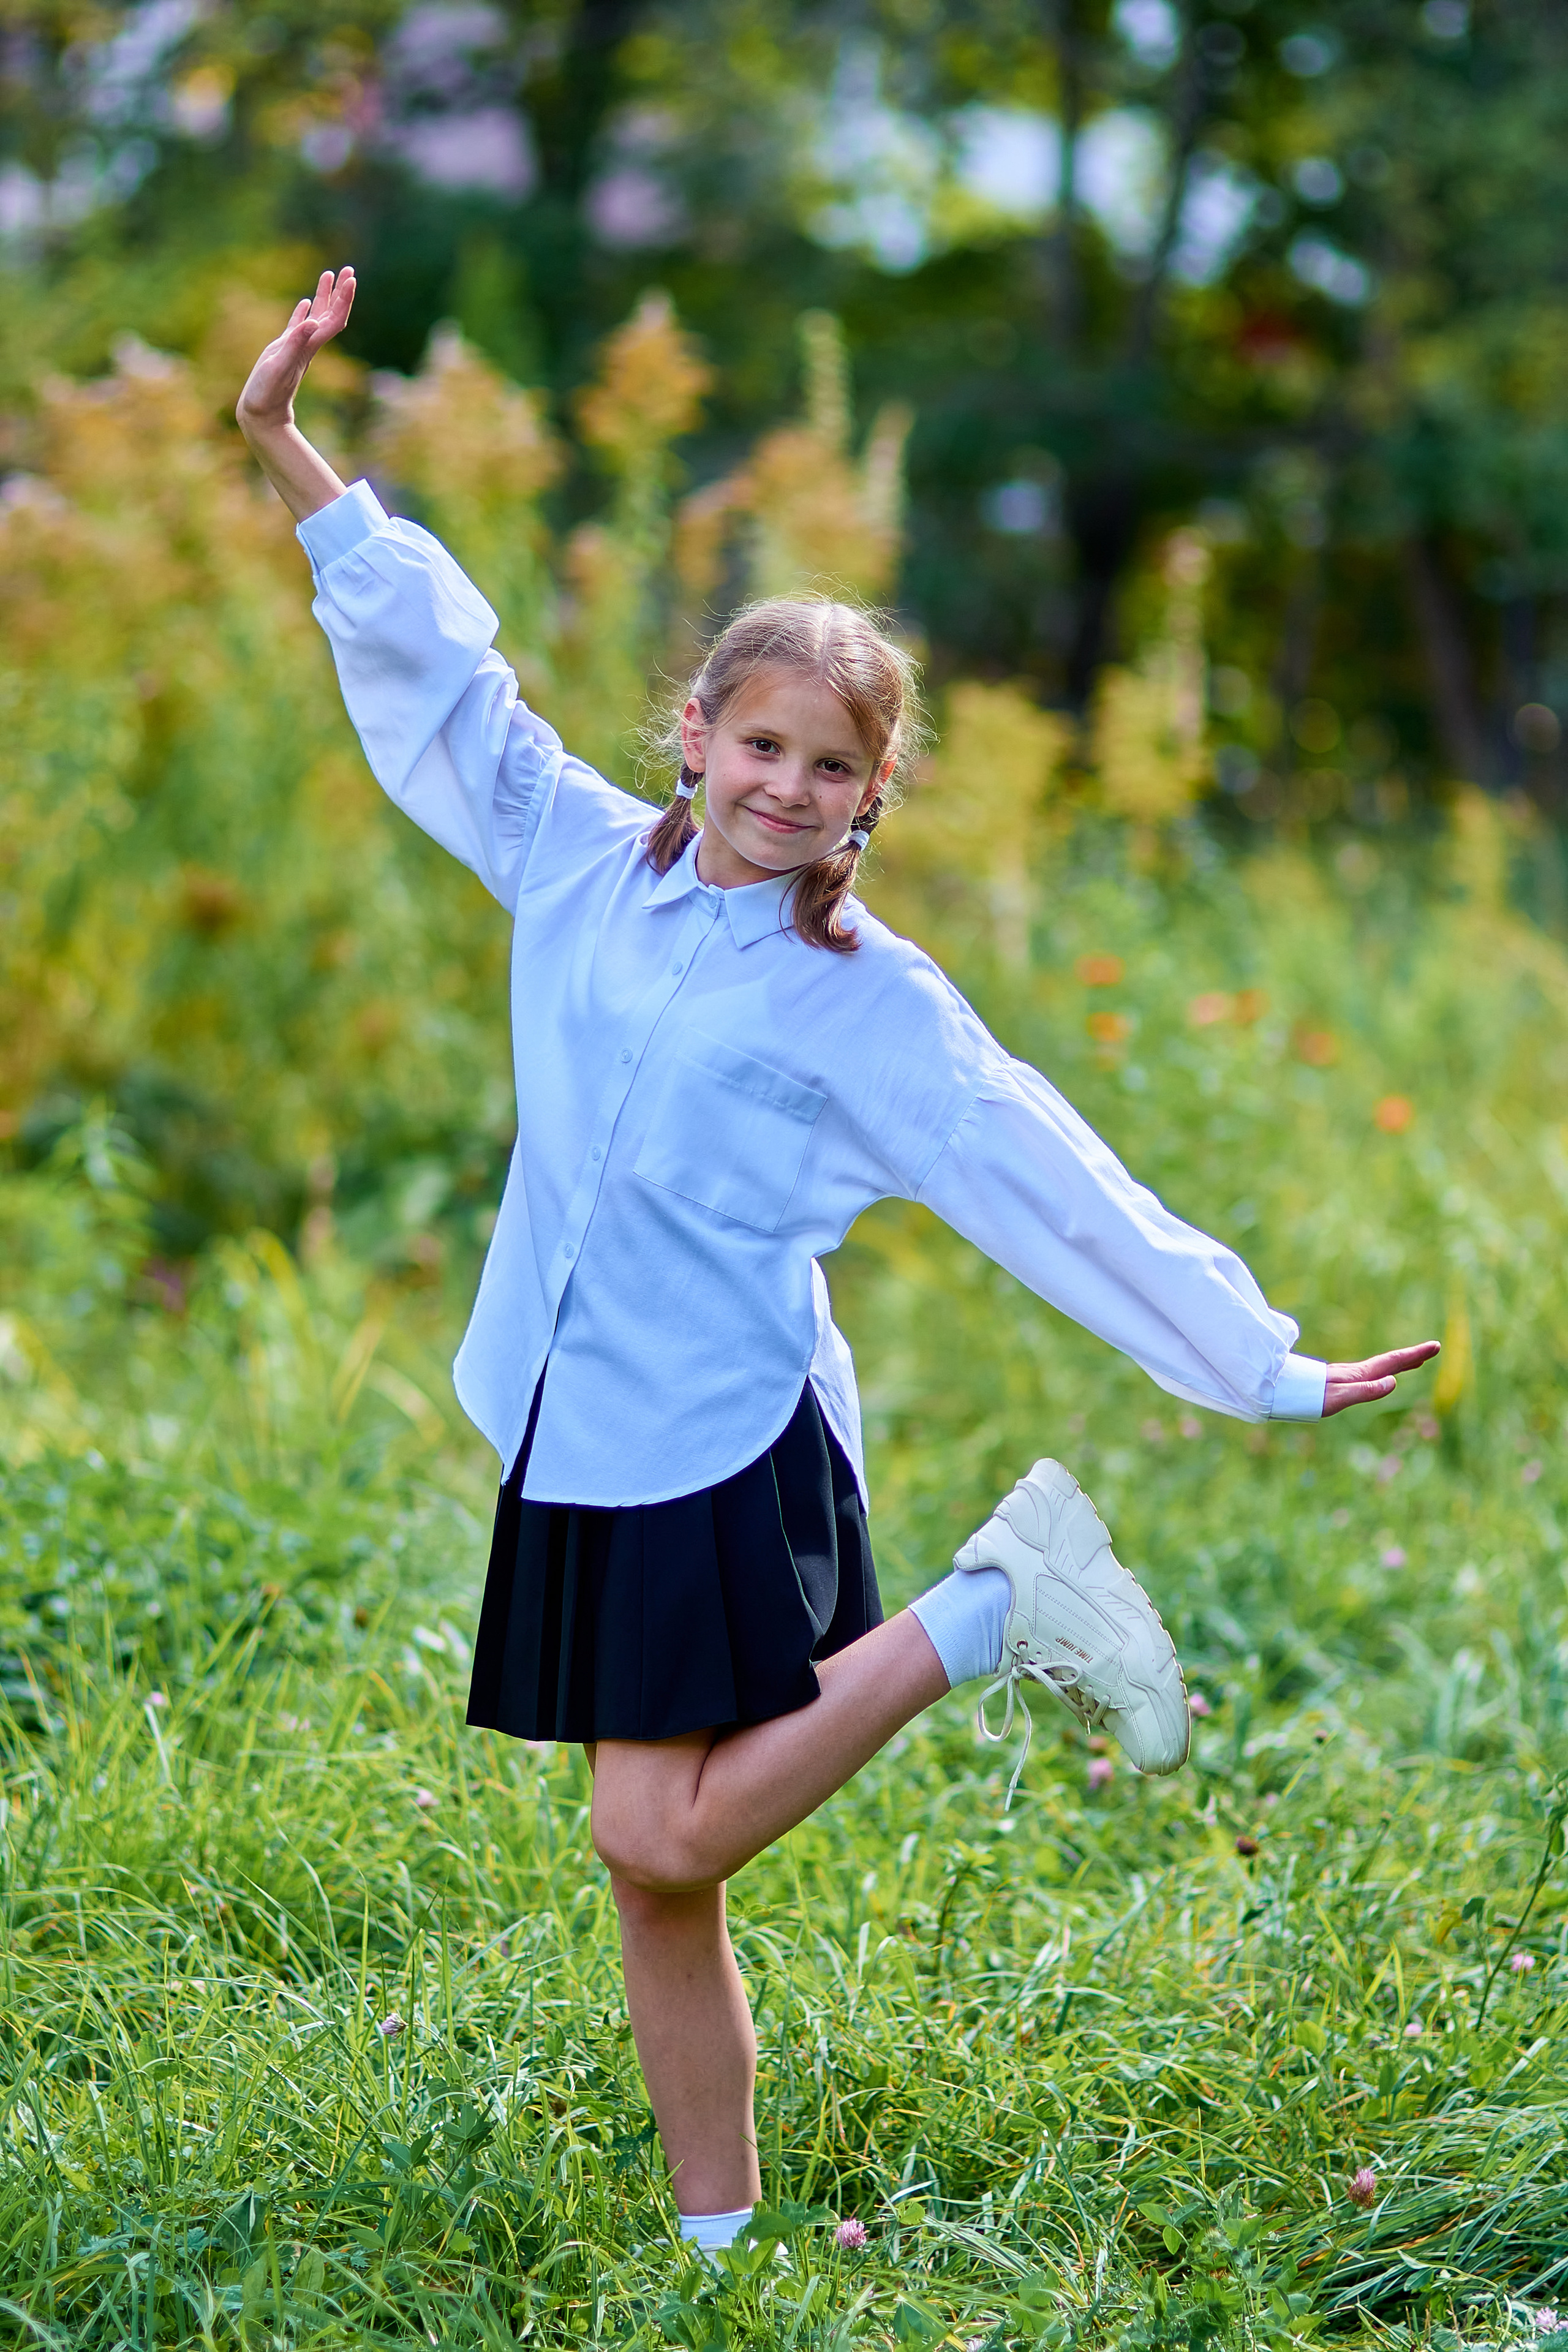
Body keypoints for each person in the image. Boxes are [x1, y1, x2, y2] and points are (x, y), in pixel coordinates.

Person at [237, 269, 1439, 2255]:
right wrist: (288, 445)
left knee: (652, 1831)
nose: (787, 789)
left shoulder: (868, 999)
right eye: (762, 744)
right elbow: (448, 685)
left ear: (874, 797)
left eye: (831, 769)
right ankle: (720, 2248)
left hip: (721, 1440)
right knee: (657, 1876)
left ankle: (996, 1605)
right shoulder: (576, 859)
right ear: (696, 734)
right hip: (578, 1423)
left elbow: (1047, 1173)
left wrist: (1261, 1361)